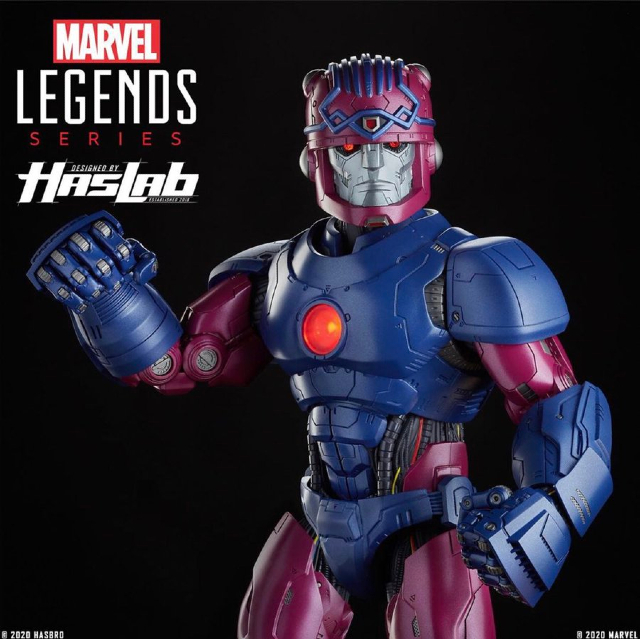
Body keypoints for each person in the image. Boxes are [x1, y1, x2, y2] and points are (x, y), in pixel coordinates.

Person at [28, 54, 612, 639]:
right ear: (317, 160)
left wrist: (545, 510)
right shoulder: (276, 275)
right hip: (321, 519)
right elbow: (177, 366)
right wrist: (109, 298)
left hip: (431, 522)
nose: (375, 167)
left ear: (426, 154)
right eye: (352, 150)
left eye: (393, 147)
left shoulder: (472, 268)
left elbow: (555, 400)